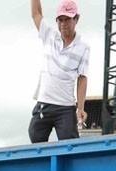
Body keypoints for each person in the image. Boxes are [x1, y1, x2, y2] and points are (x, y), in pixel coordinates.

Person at [28, 0, 90, 143]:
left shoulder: (83, 47)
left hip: (65, 107)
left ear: (76, 19)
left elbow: (82, 78)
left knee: (70, 144)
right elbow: (36, 14)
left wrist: (80, 108)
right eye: (60, 20)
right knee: (35, 135)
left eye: (67, 19)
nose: (63, 24)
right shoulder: (49, 35)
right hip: (44, 103)